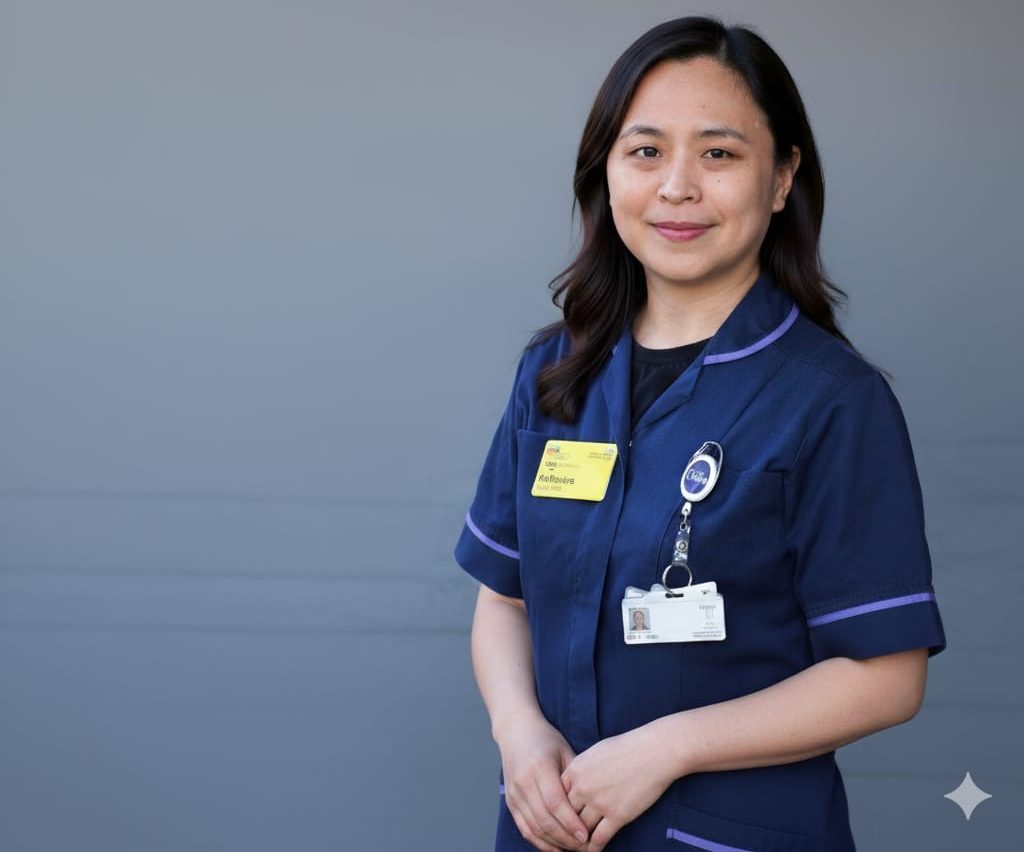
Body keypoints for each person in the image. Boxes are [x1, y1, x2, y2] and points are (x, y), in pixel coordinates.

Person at [454, 15, 946, 852]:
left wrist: (666, 749)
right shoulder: (555, 376)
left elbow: (887, 677)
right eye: (645, 151)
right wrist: (517, 731)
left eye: (719, 154)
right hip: (551, 825)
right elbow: (502, 598)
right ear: (606, 172)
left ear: (783, 176)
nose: (677, 186)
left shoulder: (831, 403)